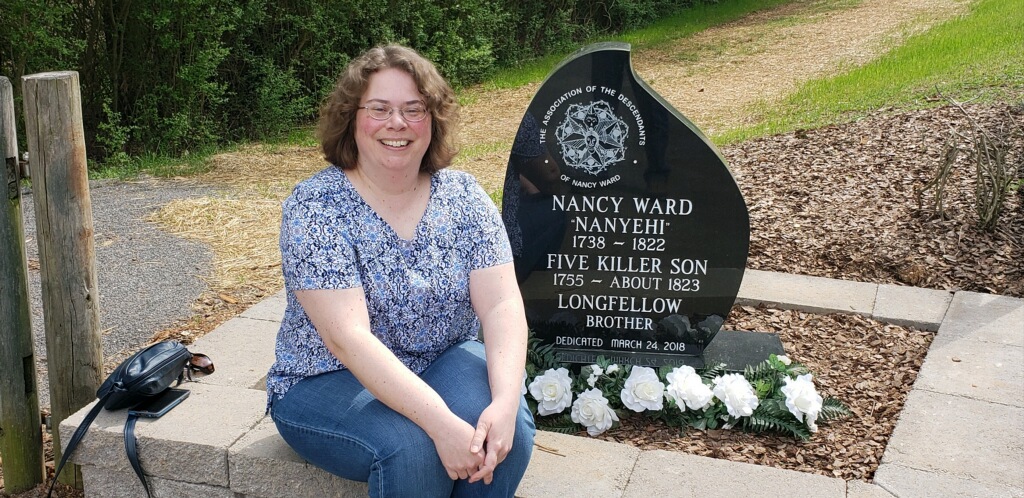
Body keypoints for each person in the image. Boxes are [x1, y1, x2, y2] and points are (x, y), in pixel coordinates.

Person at [266, 44, 535, 497]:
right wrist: (441, 422)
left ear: (434, 120)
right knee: (413, 449)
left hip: (442, 359)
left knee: (507, 437)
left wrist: (507, 402)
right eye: (380, 109)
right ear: (352, 118)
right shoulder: (315, 207)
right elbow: (346, 338)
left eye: (414, 109)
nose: (398, 123)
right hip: (326, 378)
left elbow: (503, 303)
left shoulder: (464, 196)